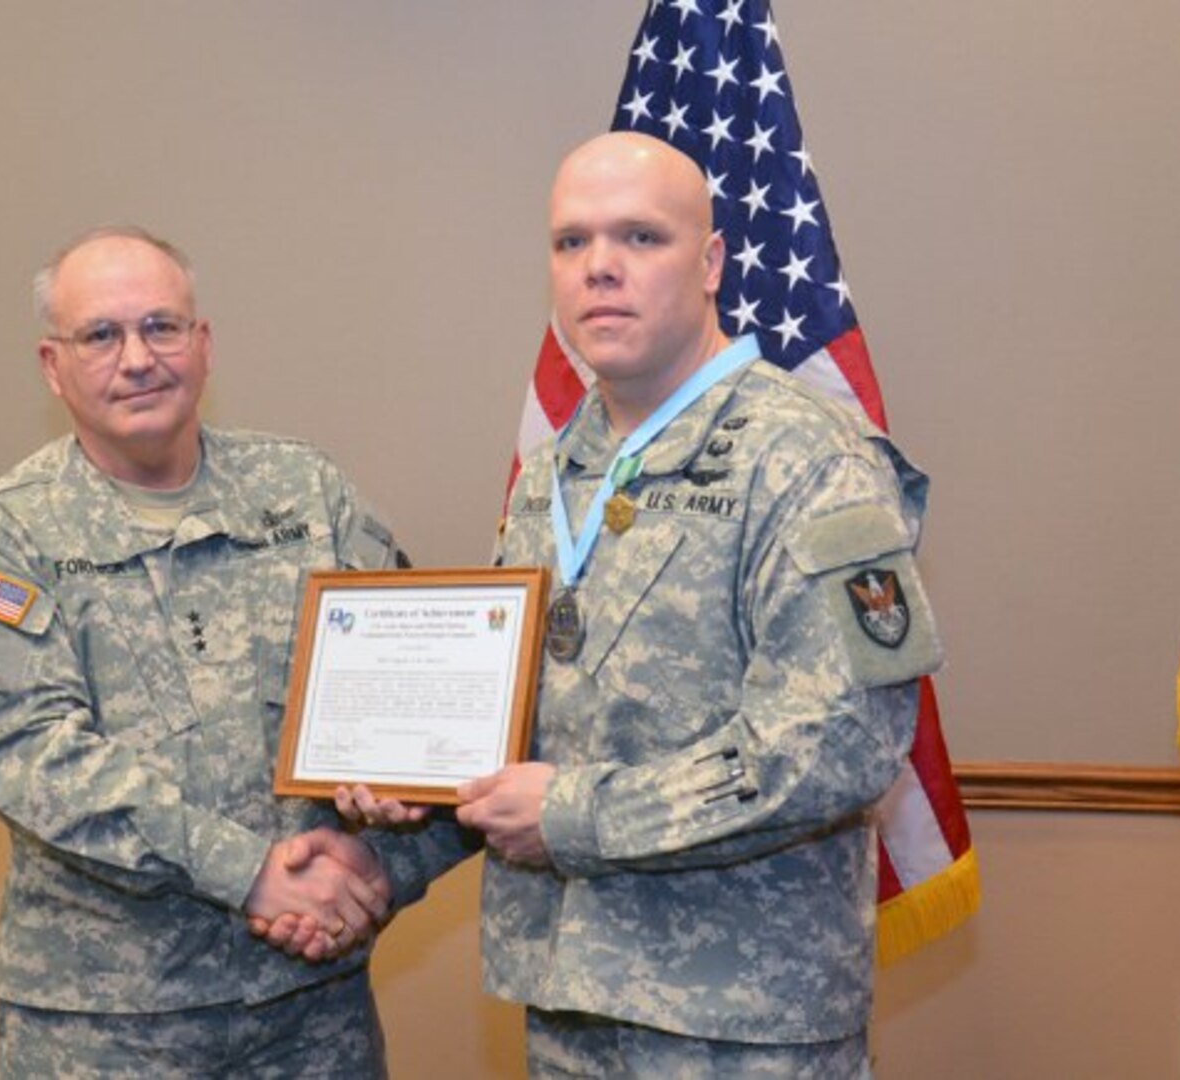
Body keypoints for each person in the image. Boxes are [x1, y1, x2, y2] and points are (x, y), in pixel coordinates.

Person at [343, 132, 944, 1077]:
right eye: (571, 243)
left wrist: (579, 816)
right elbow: (532, 731)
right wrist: (402, 805)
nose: (600, 270)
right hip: (570, 1001)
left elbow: (839, 743)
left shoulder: (808, 458)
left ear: (710, 264)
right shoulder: (555, 470)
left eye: (639, 238)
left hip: (740, 1023)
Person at [0, 226, 471, 1078]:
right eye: (100, 335)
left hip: (310, 1015)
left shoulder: (308, 496)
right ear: (51, 364)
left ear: (204, 343)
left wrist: (378, 871)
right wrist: (250, 873)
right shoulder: (7, 536)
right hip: (108, 1025)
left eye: (161, 327)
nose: (137, 358)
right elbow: (37, 760)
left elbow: (422, 707)